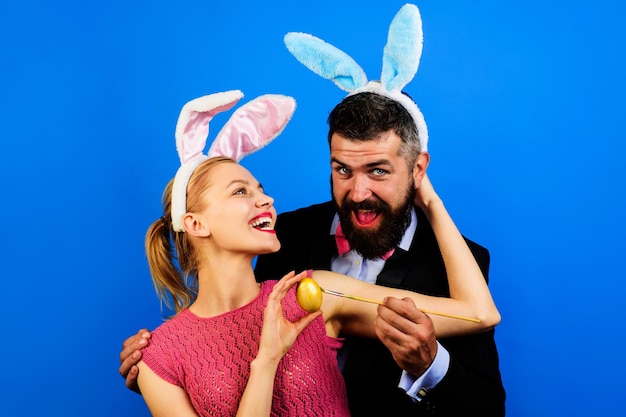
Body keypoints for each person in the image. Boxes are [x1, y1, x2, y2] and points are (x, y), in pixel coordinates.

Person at [129, 90, 501, 417]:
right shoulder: (288, 237)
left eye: (378, 171)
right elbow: (221, 327)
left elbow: (481, 320)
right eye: (343, 170)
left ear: (417, 170)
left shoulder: (315, 294)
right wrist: (166, 363)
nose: (358, 193)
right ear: (194, 224)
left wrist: (431, 202)